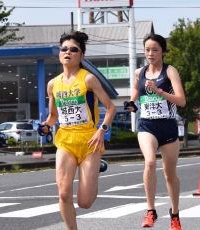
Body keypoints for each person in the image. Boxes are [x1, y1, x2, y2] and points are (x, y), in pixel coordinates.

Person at [40, 31, 116, 230]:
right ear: (59, 53)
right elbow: (53, 116)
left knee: (84, 202)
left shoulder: (88, 79)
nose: (68, 52)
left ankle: (96, 165)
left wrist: (101, 131)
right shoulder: (52, 84)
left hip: (90, 140)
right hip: (65, 140)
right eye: (64, 49)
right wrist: (47, 125)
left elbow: (111, 108)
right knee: (64, 193)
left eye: (74, 50)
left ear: (81, 56)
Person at [125, 33, 186, 230]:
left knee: (170, 174)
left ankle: (174, 215)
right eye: (147, 50)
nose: (150, 54)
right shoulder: (139, 72)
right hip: (147, 125)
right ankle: (150, 211)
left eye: (155, 50)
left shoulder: (170, 72)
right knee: (150, 162)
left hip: (167, 125)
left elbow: (181, 101)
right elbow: (136, 90)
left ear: (163, 52)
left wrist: (159, 91)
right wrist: (132, 103)